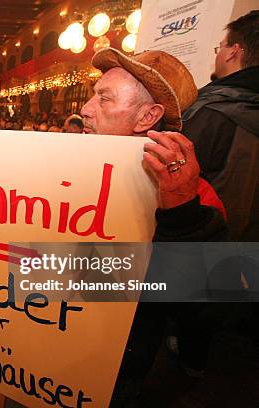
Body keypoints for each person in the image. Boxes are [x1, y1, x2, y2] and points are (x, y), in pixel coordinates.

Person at [80, 47, 230, 402]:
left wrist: (181, 217)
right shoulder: (58, 170)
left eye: (104, 99)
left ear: (147, 115)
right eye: (91, 96)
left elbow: (211, 311)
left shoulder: (194, 197)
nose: (85, 109)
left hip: (118, 364)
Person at [182, 10, 259, 241]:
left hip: (207, 246)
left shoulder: (209, 113)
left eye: (220, 47)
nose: (218, 54)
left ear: (233, 52)